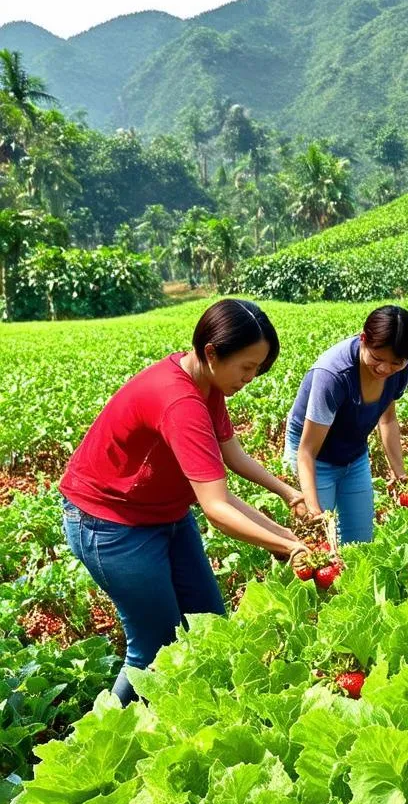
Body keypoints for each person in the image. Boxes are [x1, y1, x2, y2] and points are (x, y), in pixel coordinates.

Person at [60, 299, 309, 706]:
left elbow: (231, 455)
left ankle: (197, 717)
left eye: (257, 369)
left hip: (166, 514)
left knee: (209, 624)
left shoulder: (207, 382)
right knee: (155, 646)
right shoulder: (180, 401)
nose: (251, 378)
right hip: (111, 523)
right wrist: (285, 545)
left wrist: (286, 495)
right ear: (212, 352)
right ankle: (103, 737)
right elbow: (217, 508)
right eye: (247, 367)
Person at [285, 305, 408, 541]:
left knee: (360, 540)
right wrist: (313, 506)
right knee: (321, 541)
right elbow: (307, 451)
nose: (385, 369)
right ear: (363, 339)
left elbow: (387, 420)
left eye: (396, 362)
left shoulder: (401, 368)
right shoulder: (333, 374)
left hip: (353, 452)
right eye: (377, 358)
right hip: (315, 456)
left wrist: (400, 473)